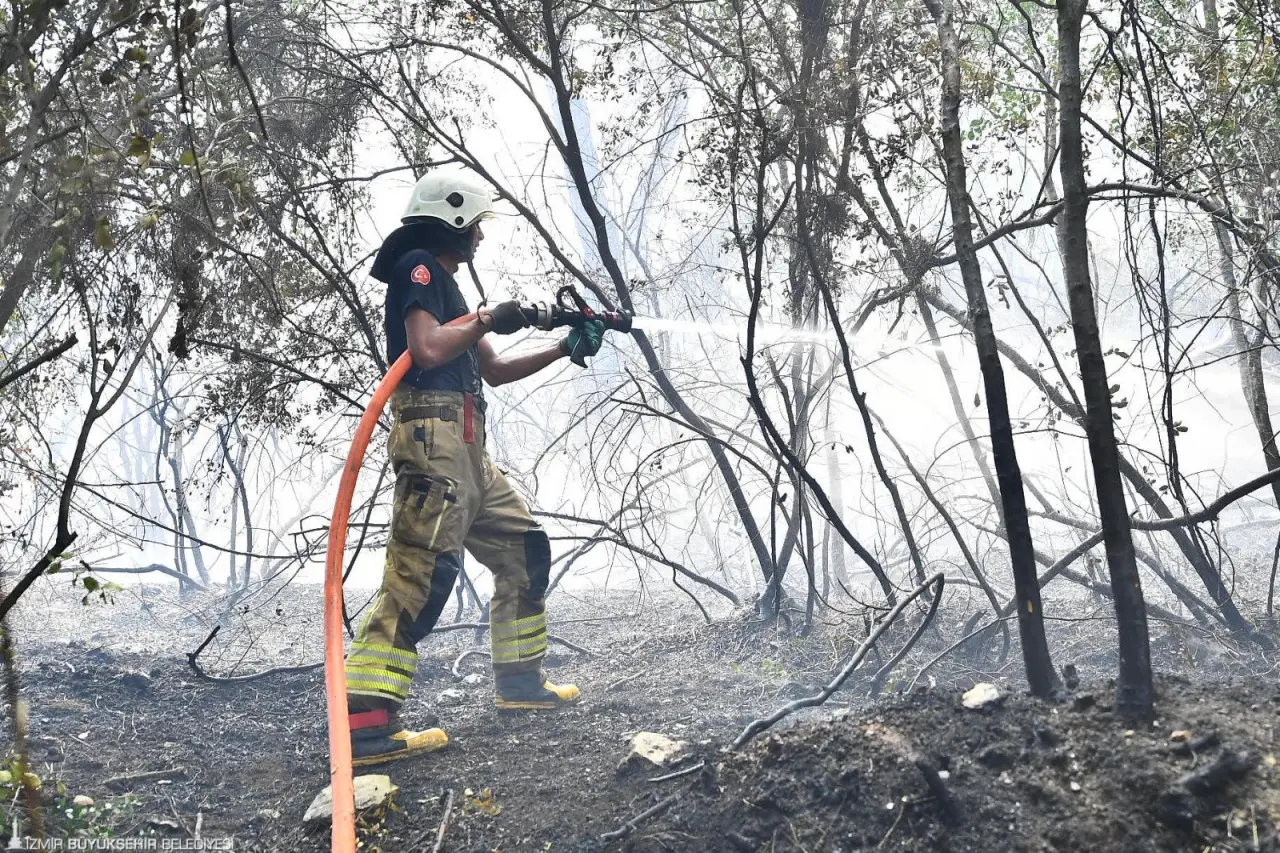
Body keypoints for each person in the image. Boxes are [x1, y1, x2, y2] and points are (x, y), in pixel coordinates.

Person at [345, 171, 607, 767]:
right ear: (455, 220)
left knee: (524, 551)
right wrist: (489, 317)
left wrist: (564, 347)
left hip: (467, 446)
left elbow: (492, 371)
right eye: (477, 225)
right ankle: (365, 727)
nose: (482, 237)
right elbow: (428, 349)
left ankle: (519, 685)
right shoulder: (417, 265)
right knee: (421, 576)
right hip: (433, 440)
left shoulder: (450, 289)